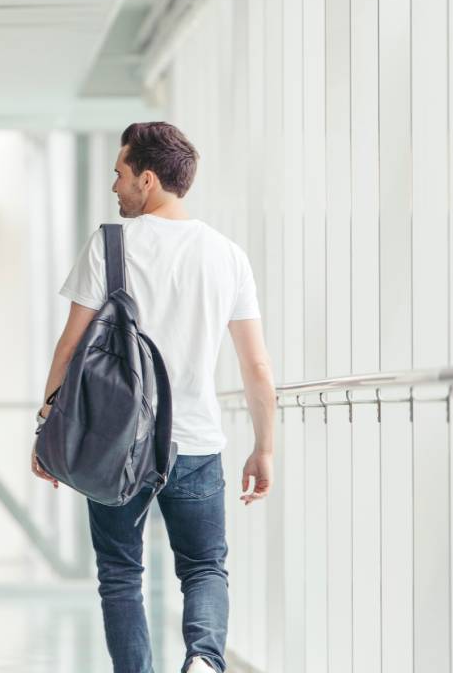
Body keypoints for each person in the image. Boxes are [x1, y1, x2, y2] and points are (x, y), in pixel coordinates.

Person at [32, 122, 277, 673]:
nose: (113, 186)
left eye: (119, 174)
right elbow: (257, 365)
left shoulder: (110, 246)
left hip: (113, 441)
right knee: (204, 566)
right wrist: (264, 448)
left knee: (120, 573)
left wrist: (49, 426)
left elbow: (70, 347)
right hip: (196, 443)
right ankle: (205, 659)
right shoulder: (228, 255)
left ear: (147, 179)